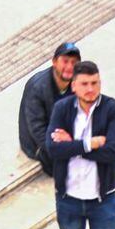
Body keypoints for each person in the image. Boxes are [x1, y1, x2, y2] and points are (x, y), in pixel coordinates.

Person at [49, 60, 115, 229]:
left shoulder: (113, 109)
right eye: (85, 84)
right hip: (69, 199)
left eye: (95, 83)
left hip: (103, 200)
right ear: (74, 86)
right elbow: (52, 149)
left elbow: (112, 152)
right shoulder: (62, 109)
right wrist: (88, 144)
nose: (91, 89)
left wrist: (73, 145)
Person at [21, 42, 81, 175]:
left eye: (74, 63)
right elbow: (37, 130)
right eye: (65, 61)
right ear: (54, 62)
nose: (70, 67)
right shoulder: (38, 87)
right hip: (39, 144)